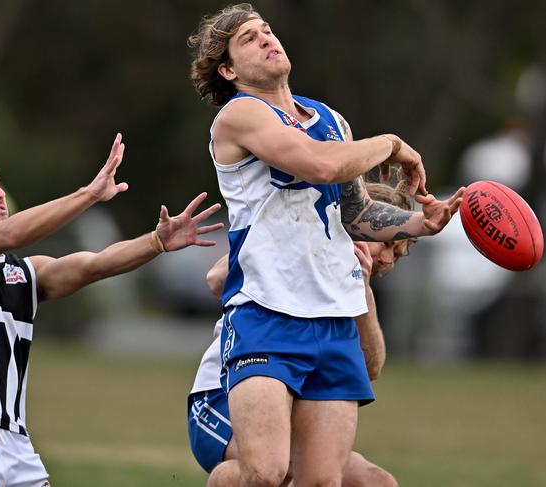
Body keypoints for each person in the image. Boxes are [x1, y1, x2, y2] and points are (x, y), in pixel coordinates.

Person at [188, 4, 464, 485]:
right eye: (248, 38)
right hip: (266, 312)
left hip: (333, 319)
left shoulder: (330, 120)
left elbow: (355, 211)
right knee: (267, 472)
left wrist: (422, 223)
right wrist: (393, 143)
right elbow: (317, 164)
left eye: (267, 30)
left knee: (322, 481)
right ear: (228, 69)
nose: (266, 38)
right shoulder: (239, 115)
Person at [0, 133, 223, 487]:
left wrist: (156, 242)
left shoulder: (24, 274)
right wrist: (88, 194)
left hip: (15, 442)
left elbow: (95, 265)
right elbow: (7, 235)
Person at [188, 181, 415, 487]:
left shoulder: (352, 284)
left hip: (293, 407)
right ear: (355, 221)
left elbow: (371, 367)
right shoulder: (295, 234)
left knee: (374, 482)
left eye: (396, 253)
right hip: (222, 398)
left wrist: (361, 289)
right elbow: (215, 279)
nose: (387, 260)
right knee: (276, 471)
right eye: (385, 243)